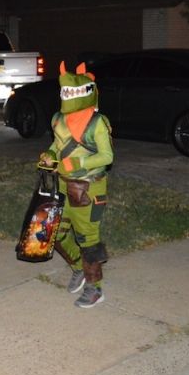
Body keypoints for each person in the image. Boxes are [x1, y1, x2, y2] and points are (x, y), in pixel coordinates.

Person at [40, 61, 114, 308]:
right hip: (62, 185)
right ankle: (77, 268)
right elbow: (57, 146)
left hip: (88, 189)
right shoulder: (58, 119)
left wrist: (79, 163)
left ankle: (95, 288)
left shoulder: (97, 123)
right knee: (55, 233)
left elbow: (107, 157)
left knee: (88, 239)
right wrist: (50, 154)